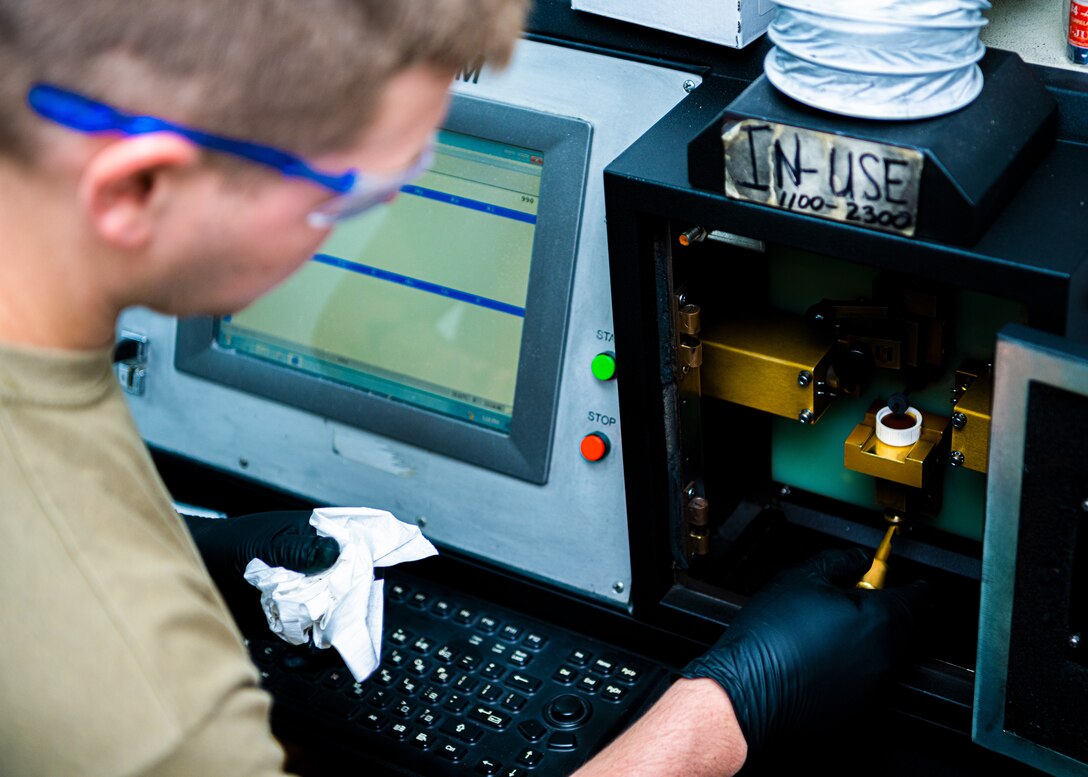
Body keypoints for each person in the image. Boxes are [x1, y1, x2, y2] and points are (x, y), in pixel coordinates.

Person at [0, 2, 924, 775]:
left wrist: (193, 541)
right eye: (343, 201)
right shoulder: (144, 708)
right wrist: (719, 718)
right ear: (135, 190)